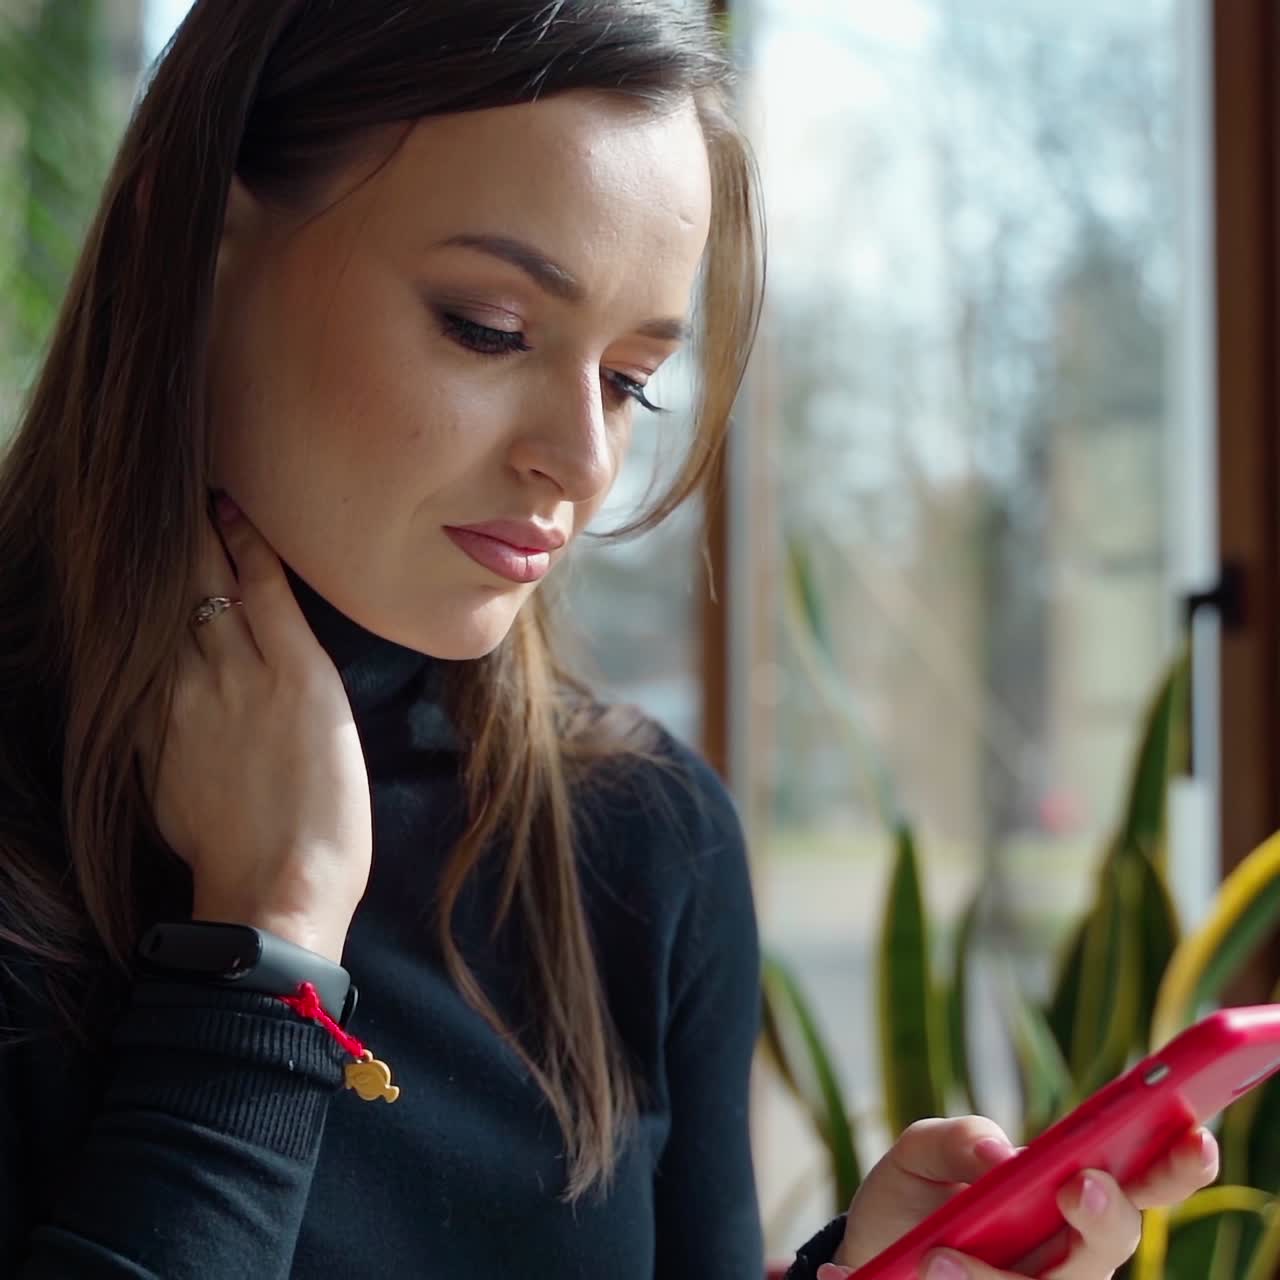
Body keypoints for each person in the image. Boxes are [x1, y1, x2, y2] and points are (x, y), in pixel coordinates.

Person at [0, 2, 1217, 1277]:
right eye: (489, 326)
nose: (582, 461)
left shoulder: (642, 837)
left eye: (633, 378)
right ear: (190, 250)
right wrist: (266, 946)